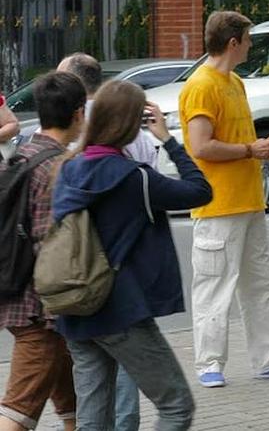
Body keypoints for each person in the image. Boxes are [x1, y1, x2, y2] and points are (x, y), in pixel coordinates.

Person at [53, 81, 213, 431]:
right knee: (176, 407)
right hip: (119, 310)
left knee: (93, 420)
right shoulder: (135, 178)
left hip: (74, 305)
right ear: (130, 124)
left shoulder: (69, 169)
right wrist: (169, 139)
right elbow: (200, 191)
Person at [178, 11, 269, 387]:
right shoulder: (202, 85)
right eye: (248, 39)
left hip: (249, 201)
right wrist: (251, 150)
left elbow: (236, 141)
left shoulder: (233, 82)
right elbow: (202, 146)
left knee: (260, 285)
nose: (252, 46)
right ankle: (209, 364)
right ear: (233, 42)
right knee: (214, 286)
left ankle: (268, 359)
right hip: (218, 204)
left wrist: (260, 148)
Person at [57, 52, 158, 431]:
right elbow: (167, 192)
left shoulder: (76, 127)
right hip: (128, 271)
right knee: (126, 369)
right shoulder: (139, 136)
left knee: (91, 379)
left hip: (82, 273)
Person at [0, 72, 86, 431]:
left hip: (17, 296)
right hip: (42, 311)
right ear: (79, 114)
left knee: (70, 397)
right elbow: (52, 247)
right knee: (17, 412)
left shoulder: (20, 157)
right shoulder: (60, 168)